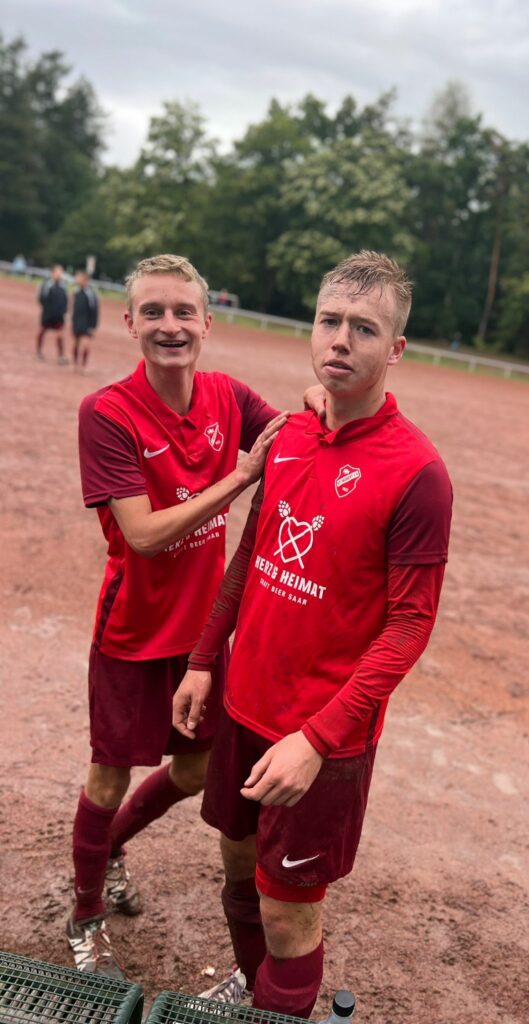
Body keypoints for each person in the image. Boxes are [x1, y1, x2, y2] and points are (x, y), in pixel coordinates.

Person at [172, 251, 453, 1019]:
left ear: (395, 349)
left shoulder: (418, 472)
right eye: (330, 321)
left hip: (319, 735)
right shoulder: (290, 435)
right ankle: (256, 987)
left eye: (364, 329)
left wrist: (320, 738)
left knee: (289, 912)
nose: (340, 340)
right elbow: (249, 556)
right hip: (241, 705)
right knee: (236, 868)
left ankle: (276, 993)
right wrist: (203, 663)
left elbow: (408, 626)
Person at [67, 253, 324, 979]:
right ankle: (85, 912)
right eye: (153, 312)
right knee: (107, 778)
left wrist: (318, 397)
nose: (169, 325)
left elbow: (298, 438)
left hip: (205, 638)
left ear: (207, 324)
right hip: (133, 631)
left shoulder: (226, 395)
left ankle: (113, 845)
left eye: (183, 312)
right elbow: (145, 535)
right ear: (130, 324)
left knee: (194, 769)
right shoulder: (108, 413)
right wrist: (240, 477)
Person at [37, 264, 68, 364]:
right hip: (48, 315)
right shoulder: (46, 285)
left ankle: (61, 356)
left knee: (60, 335)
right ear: (52, 273)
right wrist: (47, 310)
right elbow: (41, 298)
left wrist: (63, 311)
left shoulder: (63, 286)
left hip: (59, 316)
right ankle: (39, 351)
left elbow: (65, 300)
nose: (59, 275)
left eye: (61, 273)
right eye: (57, 272)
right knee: (42, 332)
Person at [71, 270, 100, 370]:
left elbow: (95, 311)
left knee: (86, 345)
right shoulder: (76, 292)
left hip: (87, 324)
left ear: (84, 280)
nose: (76, 279)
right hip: (77, 323)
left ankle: (83, 366)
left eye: (78, 277)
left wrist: (93, 326)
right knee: (75, 344)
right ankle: (75, 364)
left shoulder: (91, 294)